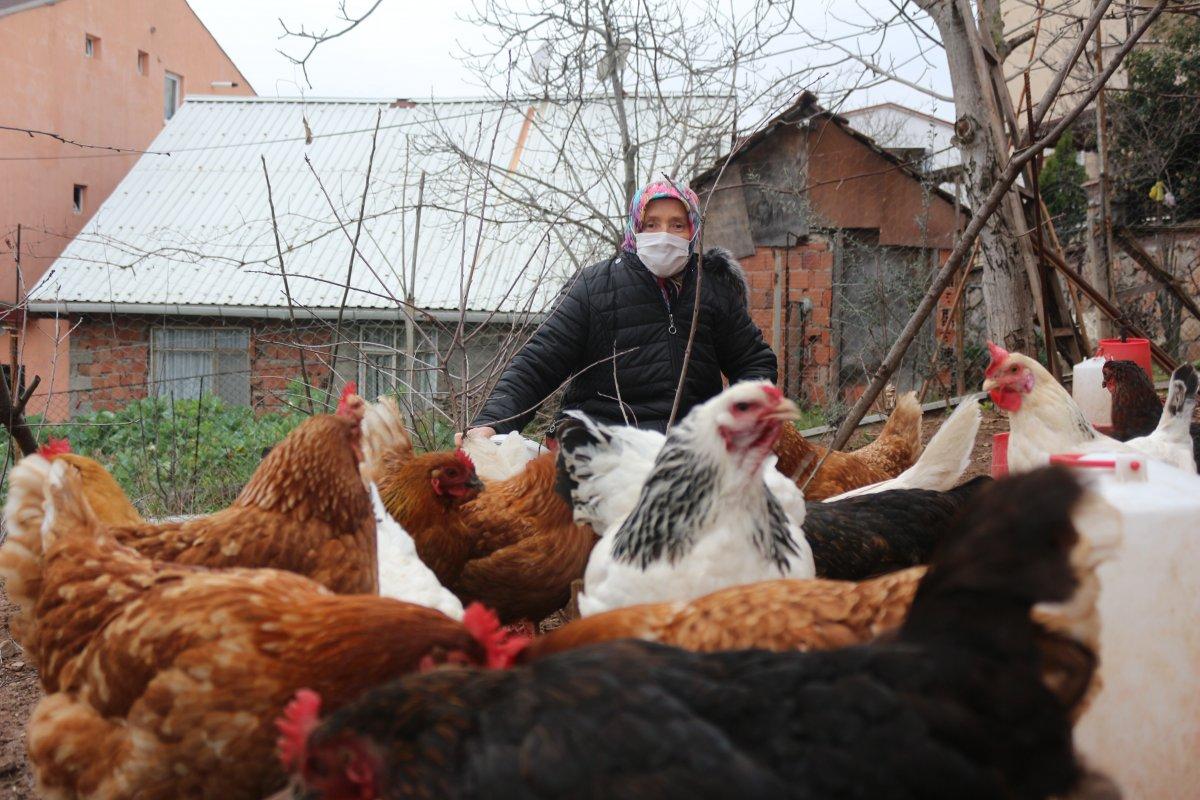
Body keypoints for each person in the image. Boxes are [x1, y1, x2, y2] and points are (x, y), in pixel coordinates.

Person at [464, 180, 777, 441]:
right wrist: (491, 423)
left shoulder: (711, 289)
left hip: (690, 453)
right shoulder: (594, 287)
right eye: (651, 224)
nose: (663, 235)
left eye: (677, 225)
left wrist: (738, 418)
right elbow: (538, 364)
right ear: (635, 228)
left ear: (693, 230)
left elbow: (753, 361)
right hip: (603, 447)